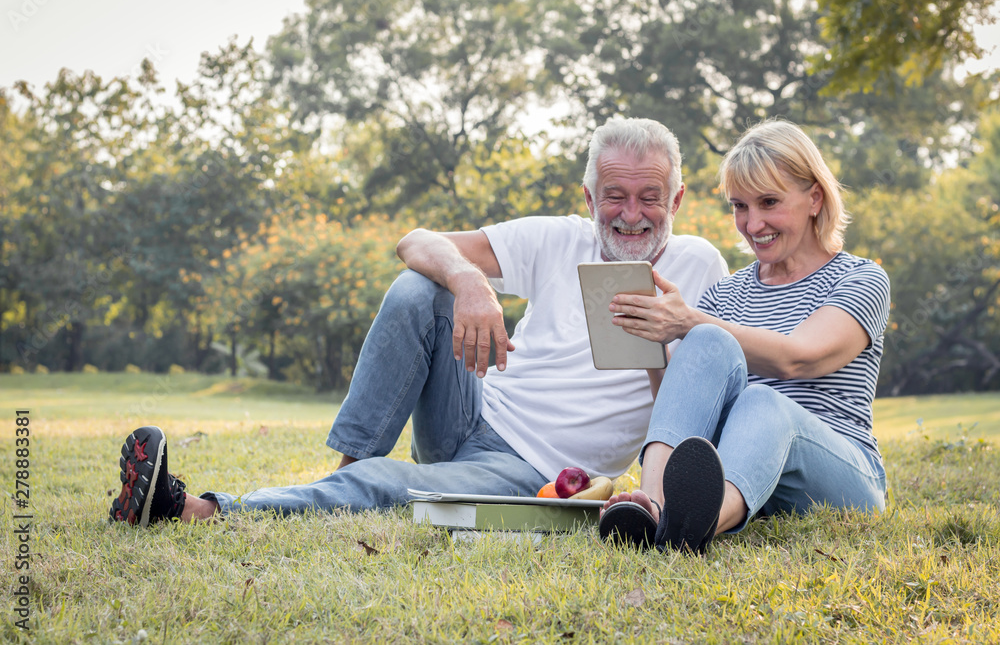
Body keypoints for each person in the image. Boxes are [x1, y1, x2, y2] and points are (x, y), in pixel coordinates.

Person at [109, 117, 730, 526]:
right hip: (472, 407)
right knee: (419, 287)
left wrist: (653, 339)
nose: (631, 214)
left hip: (534, 467)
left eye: (650, 197)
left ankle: (199, 510)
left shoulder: (700, 264)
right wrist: (468, 283)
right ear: (589, 198)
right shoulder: (558, 238)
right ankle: (349, 473)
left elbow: (685, 404)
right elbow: (416, 239)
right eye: (614, 196)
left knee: (395, 486)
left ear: (676, 199)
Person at [597, 119, 890, 554]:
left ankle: (702, 523)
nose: (753, 225)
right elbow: (685, 406)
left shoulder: (860, 278)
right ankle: (656, 506)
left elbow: (800, 359)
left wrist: (689, 322)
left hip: (843, 477)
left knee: (761, 397)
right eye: (740, 206)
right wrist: (652, 338)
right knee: (708, 343)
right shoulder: (726, 293)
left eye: (769, 202)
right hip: (750, 472)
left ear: (814, 198)